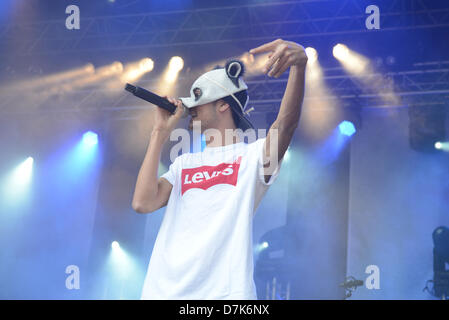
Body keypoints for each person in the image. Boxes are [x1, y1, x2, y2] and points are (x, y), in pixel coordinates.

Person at [132, 39, 308, 299]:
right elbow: (142, 203)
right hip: (164, 293)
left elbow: (285, 125)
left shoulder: (252, 157)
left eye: (198, 100)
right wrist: (158, 133)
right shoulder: (184, 163)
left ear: (223, 104)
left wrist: (299, 67)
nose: (190, 108)